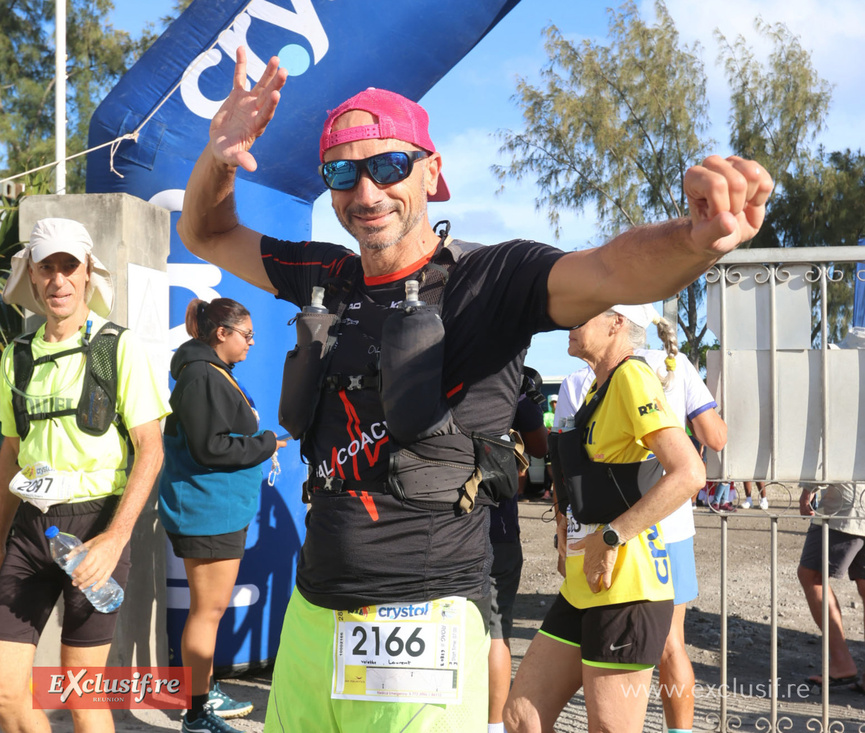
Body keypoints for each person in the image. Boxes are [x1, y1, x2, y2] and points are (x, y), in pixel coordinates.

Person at [177, 46, 771, 732]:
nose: (365, 192)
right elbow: (205, 230)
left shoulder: (491, 281)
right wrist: (218, 157)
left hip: (424, 613)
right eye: (342, 172)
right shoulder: (324, 276)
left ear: (433, 172)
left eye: (388, 166)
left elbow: (613, 271)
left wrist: (694, 239)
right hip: (313, 611)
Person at [0, 217, 169, 733]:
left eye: (68, 267)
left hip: (96, 527)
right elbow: (10, 454)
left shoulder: (118, 347)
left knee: (81, 695)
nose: (58, 280)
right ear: (31, 276)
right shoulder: (16, 356)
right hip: (31, 529)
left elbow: (151, 449)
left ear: (88, 274)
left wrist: (115, 539)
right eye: (46, 267)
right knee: (5, 693)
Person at [503, 304, 705, 733]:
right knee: (522, 716)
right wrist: (565, 524)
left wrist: (611, 537)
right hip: (584, 587)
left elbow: (690, 473)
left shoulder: (632, 378)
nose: (568, 325)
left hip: (629, 586)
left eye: (582, 316)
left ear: (616, 324)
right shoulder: (598, 387)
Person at [553, 304, 727, 733]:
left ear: (616, 323)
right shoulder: (675, 364)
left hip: (618, 536)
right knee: (672, 647)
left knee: (639, 654)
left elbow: (565, 470)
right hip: (668, 528)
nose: (571, 324)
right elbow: (715, 438)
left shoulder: (585, 382)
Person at [158, 298, 287, 733]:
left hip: (215, 510)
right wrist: (266, 444)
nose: (252, 343)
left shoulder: (210, 373)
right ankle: (196, 713)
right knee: (207, 612)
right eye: (246, 335)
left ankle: (203, 692)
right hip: (207, 511)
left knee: (206, 610)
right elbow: (210, 447)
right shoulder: (201, 376)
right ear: (221, 334)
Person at [488, 373, 548, 733]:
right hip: (497, 527)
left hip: (439, 527)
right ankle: (494, 727)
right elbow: (540, 448)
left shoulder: (437, 366)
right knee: (495, 632)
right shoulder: (511, 382)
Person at [797, 482, 865, 690]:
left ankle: (841, 662)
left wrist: (807, 490)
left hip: (845, 507)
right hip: (853, 504)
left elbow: (829, 454)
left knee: (811, 575)